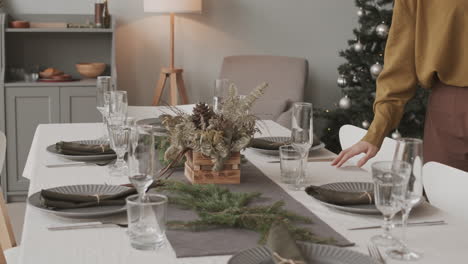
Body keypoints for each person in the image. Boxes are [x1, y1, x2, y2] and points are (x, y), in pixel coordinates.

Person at [332, 0, 468, 172]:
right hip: (451, 112)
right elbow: (400, 66)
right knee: (446, 196)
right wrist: (375, 133)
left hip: (451, 108)